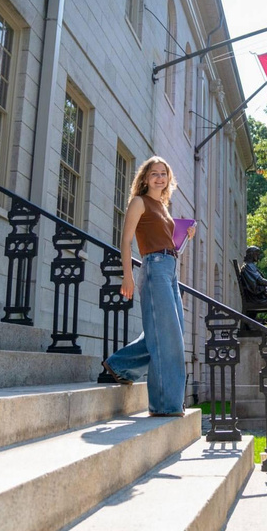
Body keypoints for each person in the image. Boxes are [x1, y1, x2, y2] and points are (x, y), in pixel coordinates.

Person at [102, 156, 195, 417]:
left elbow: (168, 243)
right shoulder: (139, 202)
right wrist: (127, 275)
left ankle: (120, 366)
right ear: (145, 178)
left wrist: (184, 234)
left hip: (170, 268)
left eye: (163, 173)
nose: (159, 177)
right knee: (168, 338)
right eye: (154, 173)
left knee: (169, 333)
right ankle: (165, 405)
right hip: (153, 267)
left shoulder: (163, 206)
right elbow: (126, 240)